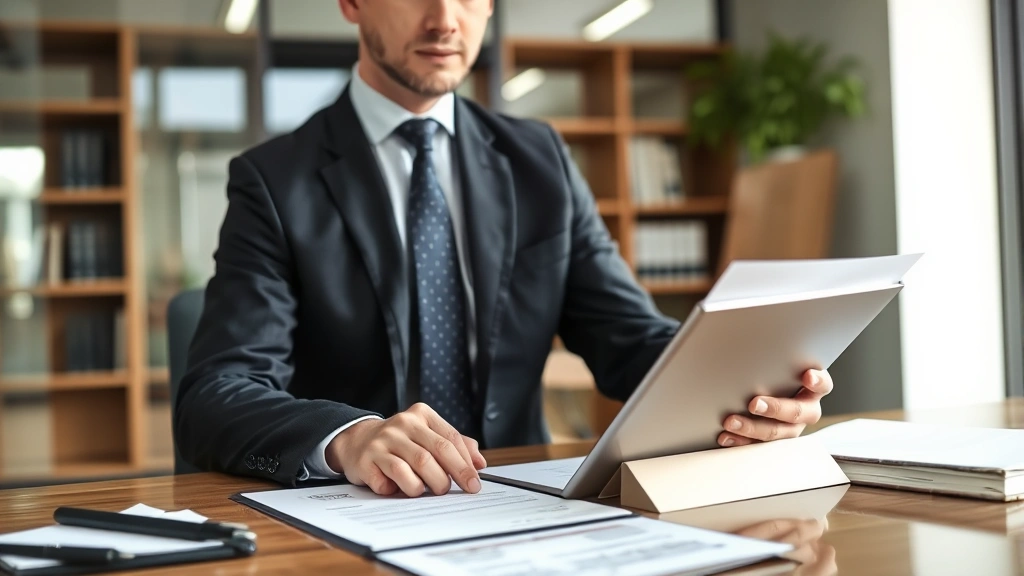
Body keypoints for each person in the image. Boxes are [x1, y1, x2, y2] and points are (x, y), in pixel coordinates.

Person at [174, 0, 834, 498]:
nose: (444, 19)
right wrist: (349, 438)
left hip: (525, 500)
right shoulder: (274, 180)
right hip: (361, 509)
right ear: (350, 3)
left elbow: (629, 338)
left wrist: (750, 388)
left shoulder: (538, 158)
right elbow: (215, 395)